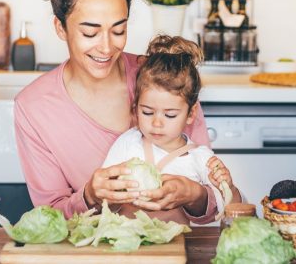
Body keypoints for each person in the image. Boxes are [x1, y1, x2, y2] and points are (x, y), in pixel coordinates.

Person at [14, 0, 230, 223]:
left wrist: (193, 193)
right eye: (90, 32)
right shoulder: (34, 107)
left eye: (118, 30)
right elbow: (49, 217)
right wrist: (89, 195)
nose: (106, 47)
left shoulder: (165, 77)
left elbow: (212, 206)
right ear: (60, 28)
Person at [101, 35, 241, 224]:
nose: (157, 123)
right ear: (135, 107)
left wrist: (228, 186)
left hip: (175, 249)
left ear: (191, 114)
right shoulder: (128, 142)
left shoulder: (200, 157)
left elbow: (230, 206)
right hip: (126, 247)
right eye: (148, 112)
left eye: (170, 115)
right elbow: (104, 191)